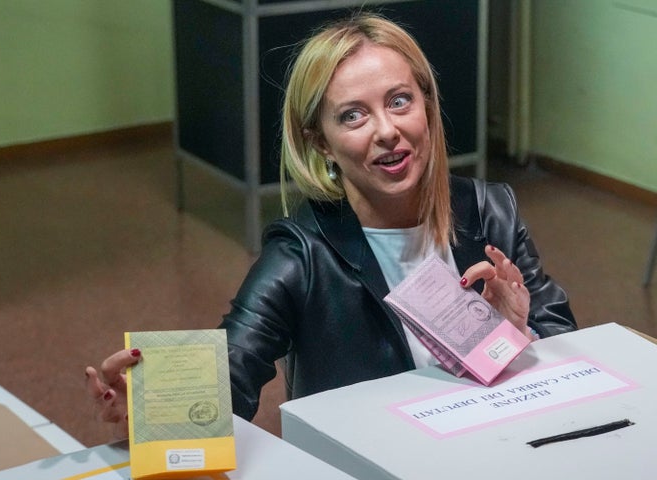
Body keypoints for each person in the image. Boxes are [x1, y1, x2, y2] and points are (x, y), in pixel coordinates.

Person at [86, 13, 576, 437]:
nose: (387, 131)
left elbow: (570, 349)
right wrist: (153, 408)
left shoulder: (491, 211)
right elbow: (230, 373)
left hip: (491, 447)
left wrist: (515, 331)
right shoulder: (302, 253)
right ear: (320, 143)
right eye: (353, 115)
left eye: (400, 100)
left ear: (426, 105)